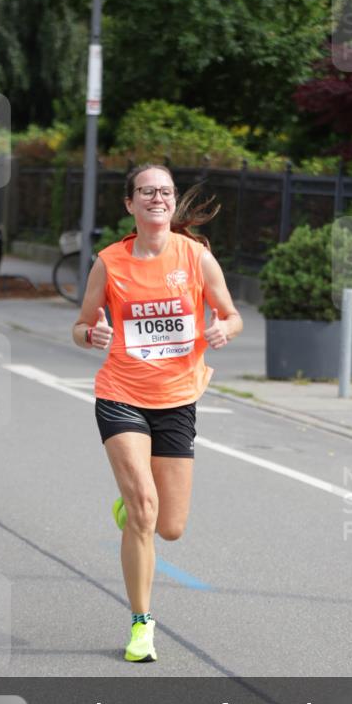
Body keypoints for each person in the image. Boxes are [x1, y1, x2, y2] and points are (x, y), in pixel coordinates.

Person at [73, 163, 243, 662]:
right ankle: (141, 624)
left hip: (177, 400)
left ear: (173, 202)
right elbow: (81, 326)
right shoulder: (109, 262)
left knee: (169, 526)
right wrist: (92, 335)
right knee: (147, 509)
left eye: (164, 192)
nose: (157, 198)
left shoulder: (196, 258)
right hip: (121, 393)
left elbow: (233, 315)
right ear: (130, 204)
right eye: (146, 192)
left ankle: (131, 507)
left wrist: (223, 331)